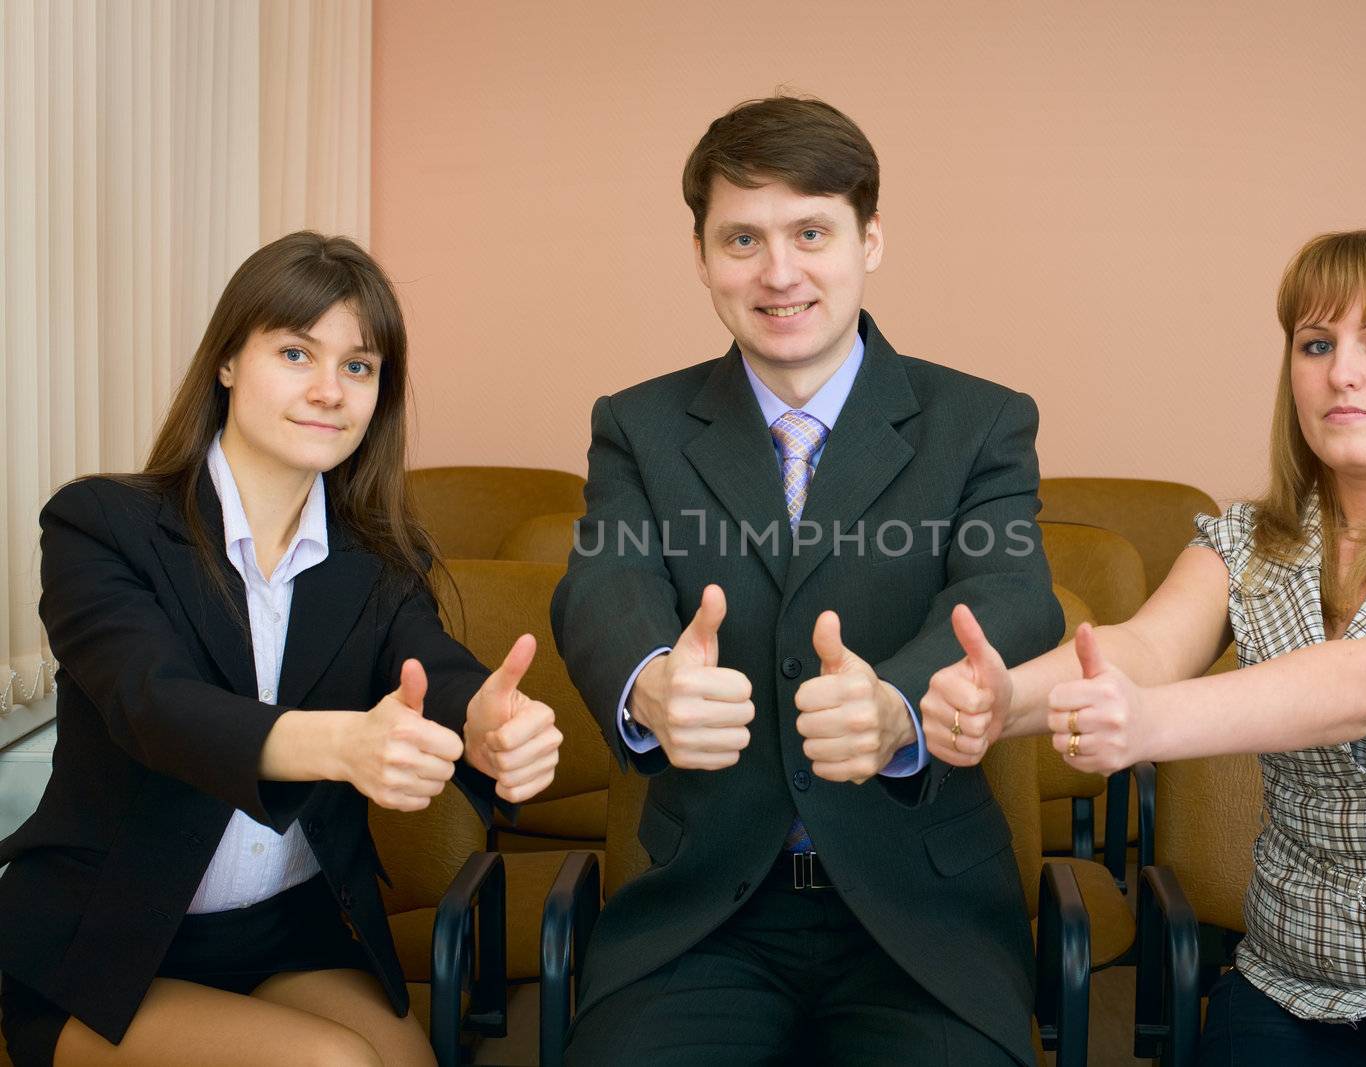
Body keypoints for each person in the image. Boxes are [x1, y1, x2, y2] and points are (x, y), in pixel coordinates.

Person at [924, 227, 1366, 1065]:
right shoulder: (1246, 540)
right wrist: (1007, 700)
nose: (1341, 371)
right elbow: (1141, 649)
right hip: (1296, 984)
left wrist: (1148, 723)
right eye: (1316, 344)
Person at [550, 96, 1063, 1065]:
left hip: (922, 916)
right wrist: (649, 678)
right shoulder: (638, 424)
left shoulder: (980, 421)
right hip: (703, 916)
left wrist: (896, 707)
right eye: (741, 237)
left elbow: (1012, 593)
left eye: (810, 231)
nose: (776, 271)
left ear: (870, 240)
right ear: (701, 255)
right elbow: (600, 580)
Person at [0, 232, 564, 1067]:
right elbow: (154, 705)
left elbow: (432, 666)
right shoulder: (101, 524)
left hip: (288, 931)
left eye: (360, 367)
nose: (329, 391)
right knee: (331, 1066)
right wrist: (341, 743)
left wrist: (487, 722)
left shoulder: (376, 557)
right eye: (297, 352)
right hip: (107, 941)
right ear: (228, 361)